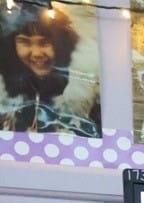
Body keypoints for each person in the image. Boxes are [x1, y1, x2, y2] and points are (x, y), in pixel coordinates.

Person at [0, 3, 98, 135]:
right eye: (24, 42)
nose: (36, 53)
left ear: (61, 44)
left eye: (45, 43)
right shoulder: (7, 93)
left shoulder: (85, 95)